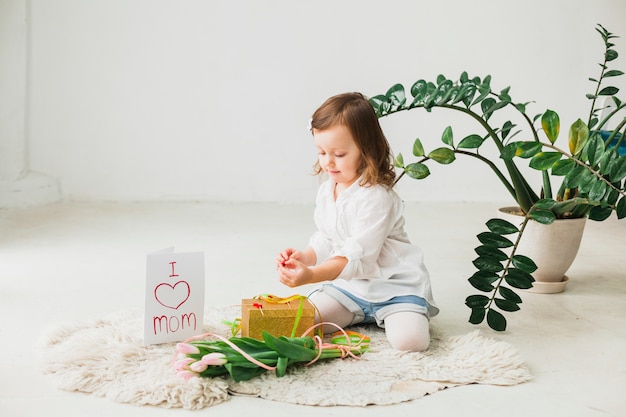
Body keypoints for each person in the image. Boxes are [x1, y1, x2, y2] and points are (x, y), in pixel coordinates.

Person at [276, 92, 438, 352]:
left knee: (411, 343)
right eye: (321, 152)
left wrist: (312, 276)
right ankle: (355, 313)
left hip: (394, 287)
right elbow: (328, 238)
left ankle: (401, 313)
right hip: (350, 288)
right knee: (302, 321)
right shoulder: (329, 190)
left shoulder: (376, 197)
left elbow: (358, 257)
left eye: (339, 154)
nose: (328, 162)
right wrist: (305, 256)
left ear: (365, 150)